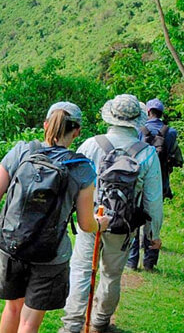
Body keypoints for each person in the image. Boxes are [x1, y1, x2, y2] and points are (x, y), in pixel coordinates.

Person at [0, 102, 109, 333]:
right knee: (28, 322)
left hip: (11, 245)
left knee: (12, 309)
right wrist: (100, 223)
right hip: (50, 254)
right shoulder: (82, 169)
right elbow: (86, 224)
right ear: (77, 131)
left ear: (45, 125)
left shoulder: (22, 151)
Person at [59, 94, 163, 333]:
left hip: (91, 220)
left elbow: (72, 184)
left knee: (82, 269)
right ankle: (100, 322)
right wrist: (153, 234)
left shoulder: (91, 144)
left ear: (111, 117)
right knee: (111, 274)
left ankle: (72, 325)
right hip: (122, 224)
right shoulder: (147, 153)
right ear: (137, 120)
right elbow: (153, 201)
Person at [127, 97, 178, 271]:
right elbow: (177, 157)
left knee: (134, 217)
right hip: (160, 181)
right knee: (153, 217)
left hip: (140, 179)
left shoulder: (140, 130)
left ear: (148, 112)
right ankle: (149, 262)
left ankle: (132, 261)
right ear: (162, 113)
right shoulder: (170, 132)